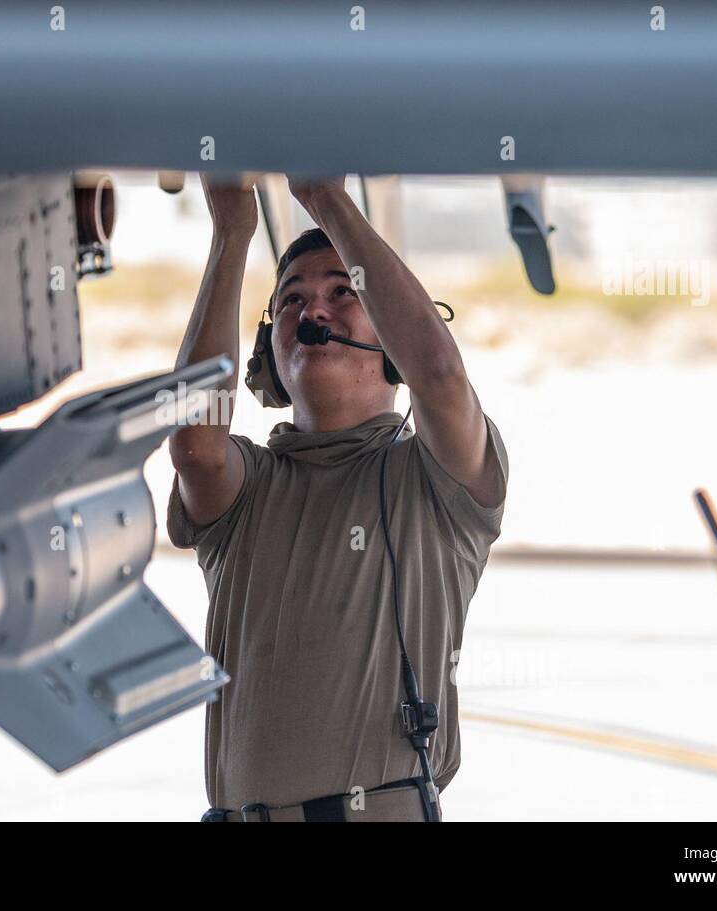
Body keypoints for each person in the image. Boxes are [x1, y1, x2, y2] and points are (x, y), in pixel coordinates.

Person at [166, 173, 509, 821]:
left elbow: (438, 374)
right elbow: (195, 447)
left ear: (392, 335)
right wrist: (231, 232)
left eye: (341, 293)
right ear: (269, 351)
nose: (311, 311)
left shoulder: (436, 479)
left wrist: (325, 194)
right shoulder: (250, 486)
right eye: (290, 300)